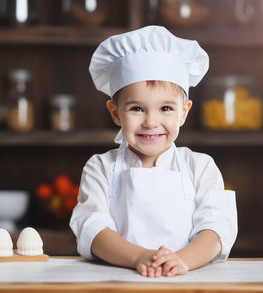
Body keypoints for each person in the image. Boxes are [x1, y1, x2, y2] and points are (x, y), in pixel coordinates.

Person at [69, 26, 238, 278]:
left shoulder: (200, 167)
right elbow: (93, 229)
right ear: (115, 113)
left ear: (184, 112)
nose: (150, 122)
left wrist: (180, 261)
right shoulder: (100, 168)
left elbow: (216, 229)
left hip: (187, 280)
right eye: (137, 109)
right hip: (117, 283)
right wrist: (138, 257)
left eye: (166, 109)